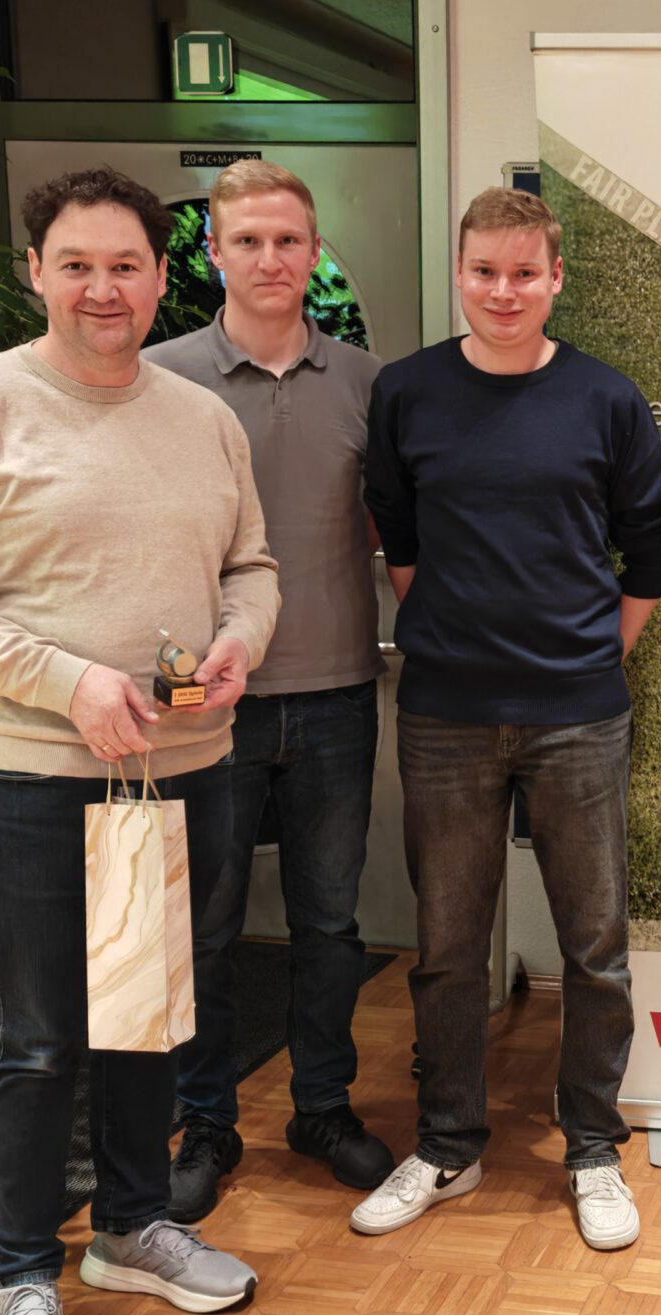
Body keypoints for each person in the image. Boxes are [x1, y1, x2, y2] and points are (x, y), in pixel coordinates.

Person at [0, 167, 278, 1315]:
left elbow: (251, 566)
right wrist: (64, 682)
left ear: (161, 278)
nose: (104, 289)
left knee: (145, 1017)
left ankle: (132, 1229)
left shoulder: (202, 417)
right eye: (78, 265)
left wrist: (239, 641)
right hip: (39, 779)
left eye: (126, 266)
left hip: (180, 771)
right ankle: (23, 1278)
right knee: (41, 1041)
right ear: (36, 272)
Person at [352, 187, 661, 1251]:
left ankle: (591, 1148)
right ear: (460, 273)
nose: (503, 292)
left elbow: (649, 548)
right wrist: (457, 629)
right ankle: (448, 1144)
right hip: (445, 712)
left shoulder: (606, 399)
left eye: (523, 273)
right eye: (484, 272)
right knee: (448, 948)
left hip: (578, 713)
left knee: (595, 946)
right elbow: (397, 536)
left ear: (555, 279)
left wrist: (590, 654)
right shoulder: (406, 391)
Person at [145, 159, 392, 1221]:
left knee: (329, 925)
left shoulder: (371, 384)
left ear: (315, 250)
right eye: (246, 240)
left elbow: (393, 528)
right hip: (204, 704)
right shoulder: (159, 379)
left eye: (288, 240)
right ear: (212, 254)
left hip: (337, 692)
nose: (270, 258)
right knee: (203, 929)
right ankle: (204, 1124)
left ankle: (322, 1108)